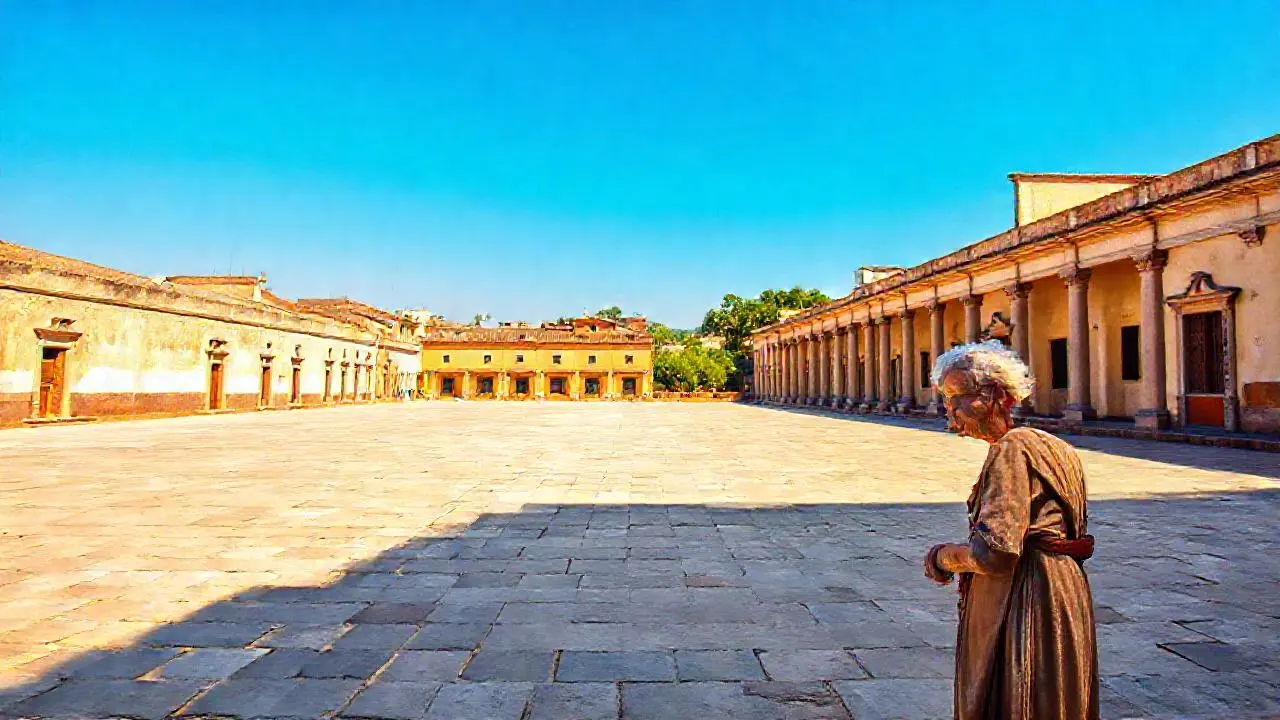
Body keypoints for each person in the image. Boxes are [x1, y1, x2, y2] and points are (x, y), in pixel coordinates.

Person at [924, 341, 1098, 720]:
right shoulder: (1056, 447)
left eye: (958, 397)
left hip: (1026, 597)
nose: (950, 410)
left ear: (999, 395)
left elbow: (994, 553)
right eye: (947, 399)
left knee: (1021, 696)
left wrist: (943, 557)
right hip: (1064, 594)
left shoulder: (1011, 449)